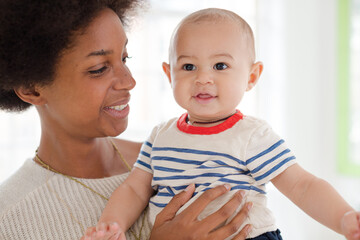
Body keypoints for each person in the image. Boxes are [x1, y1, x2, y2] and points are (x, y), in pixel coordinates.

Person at [84, 8, 360, 240]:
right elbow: (134, 189)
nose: (204, 78)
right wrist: (112, 226)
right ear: (169, 74)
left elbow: (302, 185)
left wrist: (343, 218)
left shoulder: (252, 135)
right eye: (189, 67)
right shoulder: (160, 137)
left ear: (252, 76)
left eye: (220, 66)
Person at [0, 1, 253, 240]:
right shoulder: (11, 219)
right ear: (32, 89)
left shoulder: (173, 158)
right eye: (99, 68)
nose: (129, 81)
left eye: (124, 58)